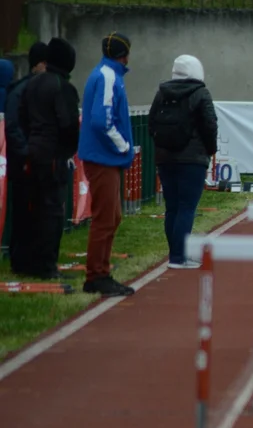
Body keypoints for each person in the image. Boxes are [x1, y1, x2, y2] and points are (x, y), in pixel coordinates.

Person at [77, 32, 136, 298]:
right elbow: (102, 121)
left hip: (102, 156)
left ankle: (100, 272)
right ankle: (97, 275)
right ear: (124, 54)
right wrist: (123, 146)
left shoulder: (104, 73)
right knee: (105, 218)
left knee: (112, 217)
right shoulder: (109, 76)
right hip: (103, 157)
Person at [17, 38, 81, 280]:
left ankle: (32, 261)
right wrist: (66, 152)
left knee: (34, 208)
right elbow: (68, 125)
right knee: (53, 210)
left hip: (33, 151)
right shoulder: (62, 87)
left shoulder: (33, 84)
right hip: (53, 154)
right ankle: (47, 264)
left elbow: (23, 117)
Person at [149, 55, 218, 269]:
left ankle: (174, 254)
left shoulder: (162, 93)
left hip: (165, 158)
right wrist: (210, 149)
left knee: (172, 207)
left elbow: (151, 123)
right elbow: (210, 124)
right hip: (193, 158)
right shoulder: (200, 93)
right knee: (187, 208)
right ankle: (179, 257)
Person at [4, 42, 49, 271]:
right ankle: (21, 261)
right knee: (24, 211)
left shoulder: (27, 88)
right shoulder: (22, 90)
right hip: (24, 162)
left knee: (35, 211)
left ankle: (31, 259)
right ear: (39, 64)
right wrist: (27, 153)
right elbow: (12, 126)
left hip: (32, 159)